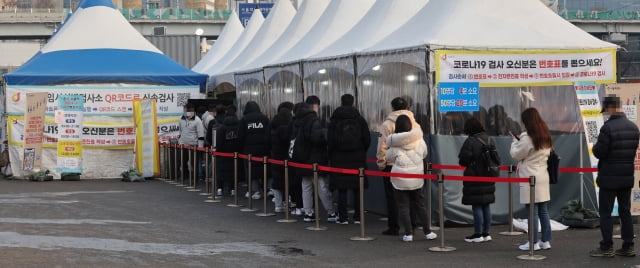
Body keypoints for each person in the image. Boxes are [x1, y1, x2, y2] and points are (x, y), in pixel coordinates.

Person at [590, 95, 639, 258]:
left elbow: (599, 152)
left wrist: (595, 147)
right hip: (626, 176)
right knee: (626, 212)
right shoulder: (633, 127)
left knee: (605, 213)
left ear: (610, 108)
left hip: (609, 176)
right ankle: (628, 246)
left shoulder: (607, 128)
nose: (606, 114)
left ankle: (607, 247)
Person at [384, 115, 437, 242]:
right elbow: (424, 153)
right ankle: (428, 232)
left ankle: (409, 234)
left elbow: (388, 158)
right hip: (416, 178)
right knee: (420, 205)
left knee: (403, 206)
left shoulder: (394, 143)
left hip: (399, 179)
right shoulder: (420, 140)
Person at [509, 107, 552, 251]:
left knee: (532, 212)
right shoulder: (546, 135)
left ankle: (533, 243)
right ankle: (545, 240)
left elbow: (516, 155)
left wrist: (514, 142)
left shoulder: (527, 138)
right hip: (543, 175)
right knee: (543, 211)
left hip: (530, 177)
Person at [377, 97, 421, 235]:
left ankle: (394, 227)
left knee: (393, 198)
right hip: (413, 164)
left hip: (392, 164)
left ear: (392, 108)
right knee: (413, 196)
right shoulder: (415, 124)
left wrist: (381, 162)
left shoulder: (387, 124)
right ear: (407, 107)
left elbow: (382, 146)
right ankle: (413, 226)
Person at [328, 94, 371, 224]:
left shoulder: (334, 120)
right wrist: (361, 151)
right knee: (357, 188)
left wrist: (332, 154)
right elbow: (367, 139)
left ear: (341, 103)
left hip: (338, 158)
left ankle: (343, 217)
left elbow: (330, 140)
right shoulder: (360, 119)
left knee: (342, 189)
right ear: (353, 103)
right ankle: (358, 217)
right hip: (357, 158)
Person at [290, 102, 336, 222]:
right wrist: (324, 141)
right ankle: (331, 212)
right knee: (322, 186)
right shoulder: (313, 120)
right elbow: (316, 139)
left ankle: (308, 213)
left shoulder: (295, 121)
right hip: (315, 158)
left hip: (301, 159)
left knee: (306, 186)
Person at [458, 117, 496, 243]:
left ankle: (477, 234)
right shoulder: (489, 138)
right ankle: (486, 233)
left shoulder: (471, 141)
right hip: (489, 175)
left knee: (477, 206)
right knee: (486, 204)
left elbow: (463, 160)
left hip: (474, 176)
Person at [239, 101, 271, 200]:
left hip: (249, 149)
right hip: (264, 148)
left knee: (252, 170)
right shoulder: (264, 118)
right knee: (266, 168)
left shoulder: (244, 120)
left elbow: (240, 135)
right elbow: (269, 132)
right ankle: (269, 189)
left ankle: (256, 191)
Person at [269, 102, 294, 212]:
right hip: (287, 157)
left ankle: (278, 205)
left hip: (275, 157)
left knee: (276, 181)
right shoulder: (289, 128)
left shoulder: (272, 126)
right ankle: (287, 201)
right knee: (288, 181)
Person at [215, 106, 242, 196]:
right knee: (233, 172)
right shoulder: (239, 127)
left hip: (222, 153)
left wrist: (218, 150)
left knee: (221, 171)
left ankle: (220, 188)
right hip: (235, 153)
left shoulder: (222, 128)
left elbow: (218, 141)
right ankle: (232, 189)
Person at [178, 103, 205, 183]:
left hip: (193, 145)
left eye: (190, 110)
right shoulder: (181, 119)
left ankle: (195, 179)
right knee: (182, 161)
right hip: (183, 144)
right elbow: (180, 132)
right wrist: (180, 142)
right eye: (187, 110)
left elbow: (201, 134)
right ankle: (185, 176)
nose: (188, 111)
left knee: (194, 163)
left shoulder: (197, 120)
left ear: (193, 110)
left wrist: (200, 147)